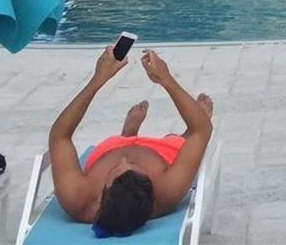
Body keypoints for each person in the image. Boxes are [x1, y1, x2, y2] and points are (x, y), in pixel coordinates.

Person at [46, 46, 212, 235]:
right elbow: (202, 131)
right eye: (134, 165)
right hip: (161, 153)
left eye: (116, 169)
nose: (123, 160)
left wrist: (98, 79)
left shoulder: (78, 199)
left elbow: (59, 136)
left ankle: (127, 135)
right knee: (185, 139)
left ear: (102, 196)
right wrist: (165, 79)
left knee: (116, 144)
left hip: (109, 149)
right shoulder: (168, 190)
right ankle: (190, 124)